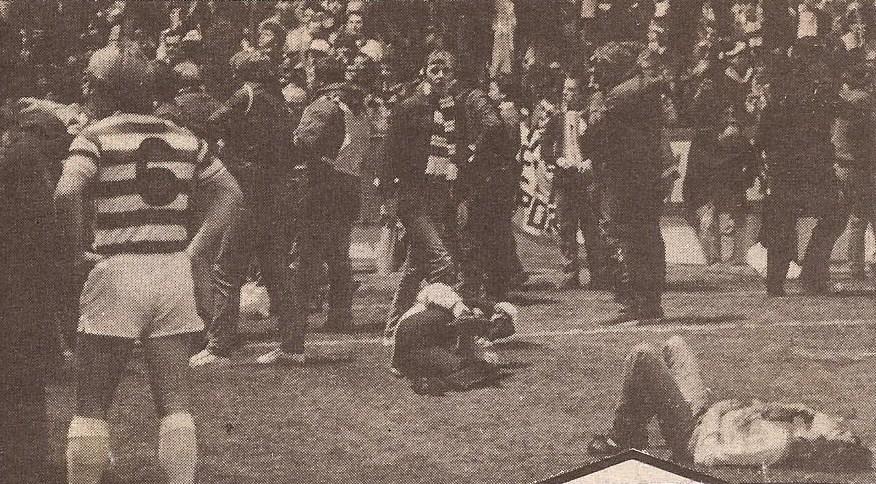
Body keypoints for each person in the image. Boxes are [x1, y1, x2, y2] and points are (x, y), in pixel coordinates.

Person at [54, 41, 241, 484]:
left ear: (106, 90)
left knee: (92, 404)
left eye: (91, 84)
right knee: (175, 403)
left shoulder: (95, 138)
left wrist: (75, 251)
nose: (87, 92)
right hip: (172, 271)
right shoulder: (185, 138)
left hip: (117, 269)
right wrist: (195, 250)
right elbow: (231, 193)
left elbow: (66, 192)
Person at [587, 336, 872, 471]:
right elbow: (815, 417)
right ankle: (635, 430)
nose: (843, 427)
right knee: (675, 345)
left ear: (826, 444)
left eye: (843, 434)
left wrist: (719, 412)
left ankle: (622, 436)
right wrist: (769, 409)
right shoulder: (806, 428)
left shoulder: (774, 446)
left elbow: (708, 455)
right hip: (704, 413)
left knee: (642, 356)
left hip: (692, 435)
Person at [256, 56, 370, 364]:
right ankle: (341, 314)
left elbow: (301, 144)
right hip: (348, 187)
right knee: (338, 256)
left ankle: (291, 344)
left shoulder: (323, 106)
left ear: (317, 77)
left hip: (321, 188)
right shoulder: (359, 106)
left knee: (304, 265)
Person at [189, 50, 295, 367]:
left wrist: (225, 146)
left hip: (248, 189)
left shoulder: (245, 95)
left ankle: (219, 346)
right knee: (276, 271)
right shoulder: (279, 100)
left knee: (226, 269)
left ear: (241, 72)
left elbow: (211, 124)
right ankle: (292, 345)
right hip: (276, 190)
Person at [0, 103, 71, 484]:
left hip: (16, 279)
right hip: (22, 281)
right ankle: (25, 462)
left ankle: (22, 462)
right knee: (23, 381)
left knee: (19, 380)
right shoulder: (27, 156)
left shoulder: (19, 152)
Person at [381, 50, 462, 343]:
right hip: (412, 195)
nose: (440, 76)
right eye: (434, 70)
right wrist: (388, 196)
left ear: (452, 75)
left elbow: (457, 153)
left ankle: (393, 329)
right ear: (425, 71)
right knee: (443, 263)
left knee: (415, 268)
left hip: (439, 193)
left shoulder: (453, 109)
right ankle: (437, 327)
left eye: (445, 71)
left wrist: (459, 197)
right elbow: (389, 152)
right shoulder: (409, 107)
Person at [588, 41, 669, 323]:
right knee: (647, 234)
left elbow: (594, 133)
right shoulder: (644, 88)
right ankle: (649, 300)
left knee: (621, 235)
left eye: (601, 70)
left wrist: (596, 106)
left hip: (624, 176)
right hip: (646, 173)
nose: (596, 77)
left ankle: (634, 299)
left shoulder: (618, 96)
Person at [758, 40, 846, 296]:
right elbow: (843, 112)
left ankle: (776, 282)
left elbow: (763, 134)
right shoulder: (820, 92)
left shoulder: (779, 90)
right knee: (835, 213)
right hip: (812, 168)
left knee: (783, 223)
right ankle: (811, 273)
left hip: (784, 168)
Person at [543, 75, 610, 289]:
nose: (566, 93)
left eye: (571, 90)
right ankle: (570, 274)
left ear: (580, 93)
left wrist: (591, 161)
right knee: (565, 228)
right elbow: (545, 148)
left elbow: (603, 145)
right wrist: (557, 160)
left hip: (587, 180)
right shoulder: (556, 119)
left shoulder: (592, 118)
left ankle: (599, 275)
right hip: (564, 180)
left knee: (592, 229)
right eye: (565, 89)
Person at [390, 283, 517, 395]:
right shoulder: (463, 311)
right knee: (477, 369)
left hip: (405, 353)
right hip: (416, 345)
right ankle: (432, 381)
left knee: (458, 363)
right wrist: (485, 360)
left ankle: (426, 376)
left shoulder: (446, 307)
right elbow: (466, 351)